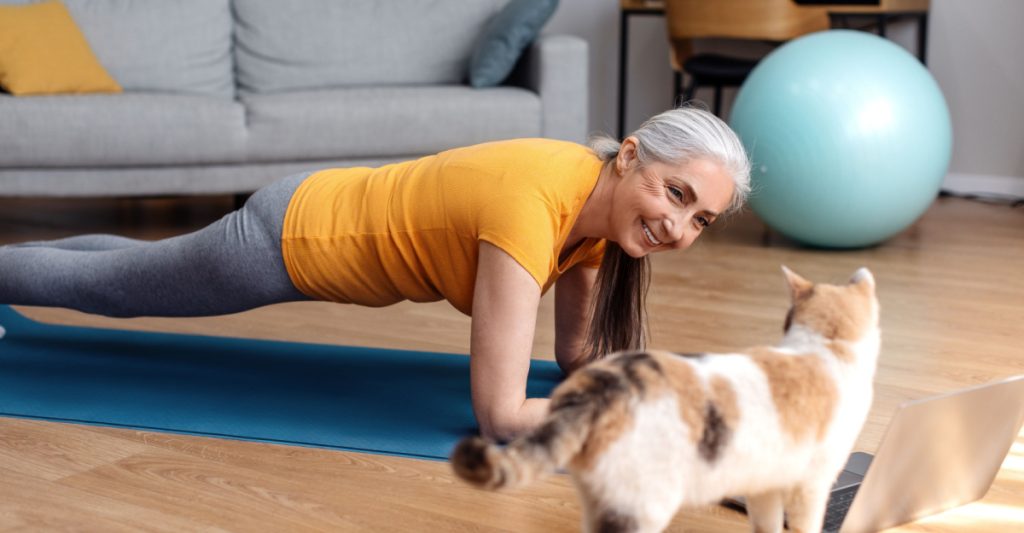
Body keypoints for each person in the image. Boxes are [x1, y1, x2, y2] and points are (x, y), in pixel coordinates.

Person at [0, 107, 751, 441]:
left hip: (311, 201)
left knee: (128, 269)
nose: (678, 227)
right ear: (628, 156)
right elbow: (500, 416)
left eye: (700, 220)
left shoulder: (595, 216)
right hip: (287, 238)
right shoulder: (531, 208)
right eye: (676, 194)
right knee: (118, 292)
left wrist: (654, 389)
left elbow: (574, 359)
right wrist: (627, 416)